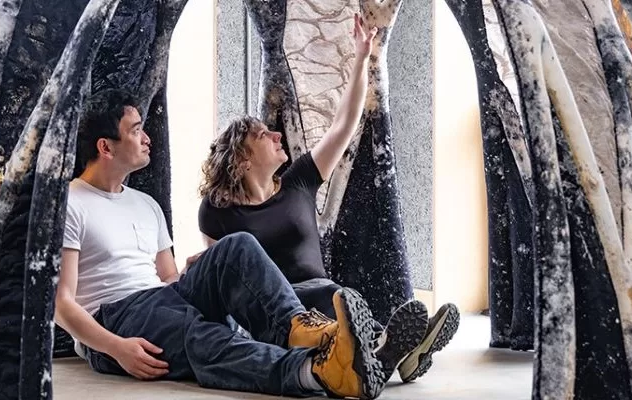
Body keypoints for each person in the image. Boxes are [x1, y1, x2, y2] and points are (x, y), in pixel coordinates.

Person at [54, 88, 391, 399]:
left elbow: (168, 279)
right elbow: (60, 303)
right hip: (116, 318)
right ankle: (317, 370)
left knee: (237, 246)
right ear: (105, 147)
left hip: (162, 300)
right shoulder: (70, 203)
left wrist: (201, 268)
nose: (146, 138)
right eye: (136, 130)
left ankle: (302, 330)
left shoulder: (146, 205)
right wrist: (115, 348)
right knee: (201, 334)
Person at [197, 14, 459, 383]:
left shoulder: (298, 182)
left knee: (338, 297)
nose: (276, 135)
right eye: (263, 135)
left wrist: (361, 57)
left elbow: (344, 125)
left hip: (325, 296)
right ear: (241, 160)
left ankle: (390, 353)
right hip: (277, 312)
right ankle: (394, 349)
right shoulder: (217, 211)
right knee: (333, 299)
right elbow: (222, 280)